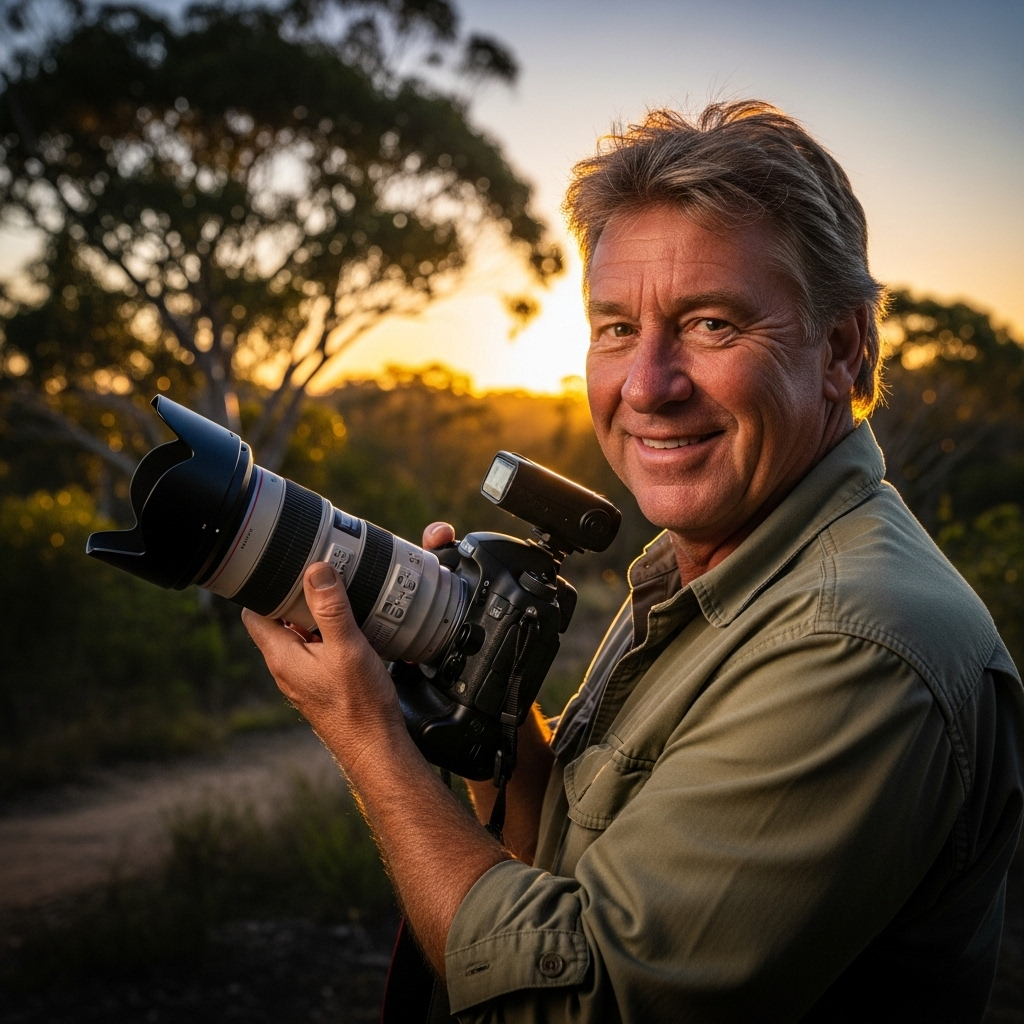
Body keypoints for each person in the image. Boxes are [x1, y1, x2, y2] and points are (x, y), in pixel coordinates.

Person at [242, 101, 1024, 1022]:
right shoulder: (710, 562)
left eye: (712, 326)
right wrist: (474, 690)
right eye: (615, 328)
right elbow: (566, 857)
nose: (648, 386)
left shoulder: (857, 643)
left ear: (842, 350)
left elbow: (577, 1005)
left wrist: (365, 735)